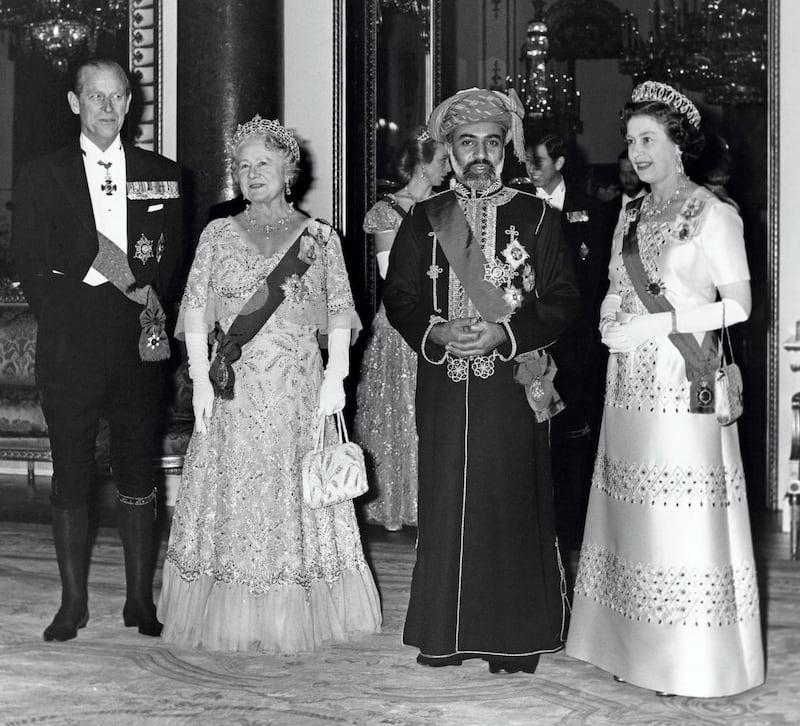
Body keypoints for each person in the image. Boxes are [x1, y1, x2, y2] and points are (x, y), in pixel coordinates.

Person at [565, 81, 765, 697]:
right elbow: (615, 286)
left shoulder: (713, 213)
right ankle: (623, 646)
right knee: (631, 514)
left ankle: (686, 658)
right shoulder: (630, 211)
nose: (637, 151)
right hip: (628, 382)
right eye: (631, 141)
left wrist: (665, 321)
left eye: (649, 139)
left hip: (683, 384)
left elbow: (738, 305)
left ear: (680, 144)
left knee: (677, 517)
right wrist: (608, 320)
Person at [157, 115, 382, 652]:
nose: (251, 173)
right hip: (233, 390)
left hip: (298, 392)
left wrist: (336, 376)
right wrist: (197, 377)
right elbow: (193, 310)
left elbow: (340, 315)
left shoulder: (320, 240)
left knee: (292, 492)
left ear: (289, 170)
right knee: (236, 494)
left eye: (264, 163)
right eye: (242, 165)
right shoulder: (217, 234)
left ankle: (295, 606)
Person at [383, 87, 579, 674]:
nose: (480, 154)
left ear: (506, 149)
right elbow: (399, 297)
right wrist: (436, 331)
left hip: (511, 384)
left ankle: (513, 640)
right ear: (448, 148)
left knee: (510, 501)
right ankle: (444, 634)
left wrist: (505, 333)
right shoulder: (424, 217)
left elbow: (565, 298)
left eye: (492, 143)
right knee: (446, 501)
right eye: (467, 142)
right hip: (444, 381)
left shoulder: (540, 218)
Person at [12, 58, 183, 641]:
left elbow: (174, 260)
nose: (107, 109)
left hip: (138, 342)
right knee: (72, 474)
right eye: (95, 98)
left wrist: (144, 305)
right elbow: (29, 266)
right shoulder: (41, 176)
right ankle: (73, 604)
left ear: (130, 102)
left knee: (139, 470)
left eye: (117, 98)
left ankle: (139, 601)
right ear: (74, 103)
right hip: (70, 345)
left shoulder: (164, 174)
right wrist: (68, 312)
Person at [354, 127, 450, 531]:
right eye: (442, 160)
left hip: (443, 321)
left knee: (433, 415)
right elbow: (389, 273)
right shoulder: (387, 210)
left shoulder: (449, 207)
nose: (448, 168)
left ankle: (432, 503)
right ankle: (397, 505)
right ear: (423, 163)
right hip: (401, 325)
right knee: (399, 414)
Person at [525, 133, 609, 559]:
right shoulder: (519, 208)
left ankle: (573, 531)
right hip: (531, 346)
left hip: (577, 349)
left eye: (537, 160)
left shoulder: (592, 211)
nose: (530, 168)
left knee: (575, 440)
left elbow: (596, 284)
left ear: (559, 160)